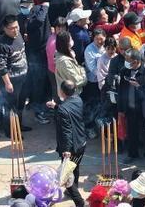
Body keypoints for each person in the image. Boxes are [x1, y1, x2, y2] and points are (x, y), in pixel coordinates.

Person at [48, 79, 87, 207]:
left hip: (72, 146)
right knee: (75, 168)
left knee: (66, 176)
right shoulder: (78, 100)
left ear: (62, 91)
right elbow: (67, 110)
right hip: (81, 142)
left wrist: (66, 150)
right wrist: (56, 107)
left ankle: (79, 201)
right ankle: (73, 191)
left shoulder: (63, 109)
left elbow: (66, 131)